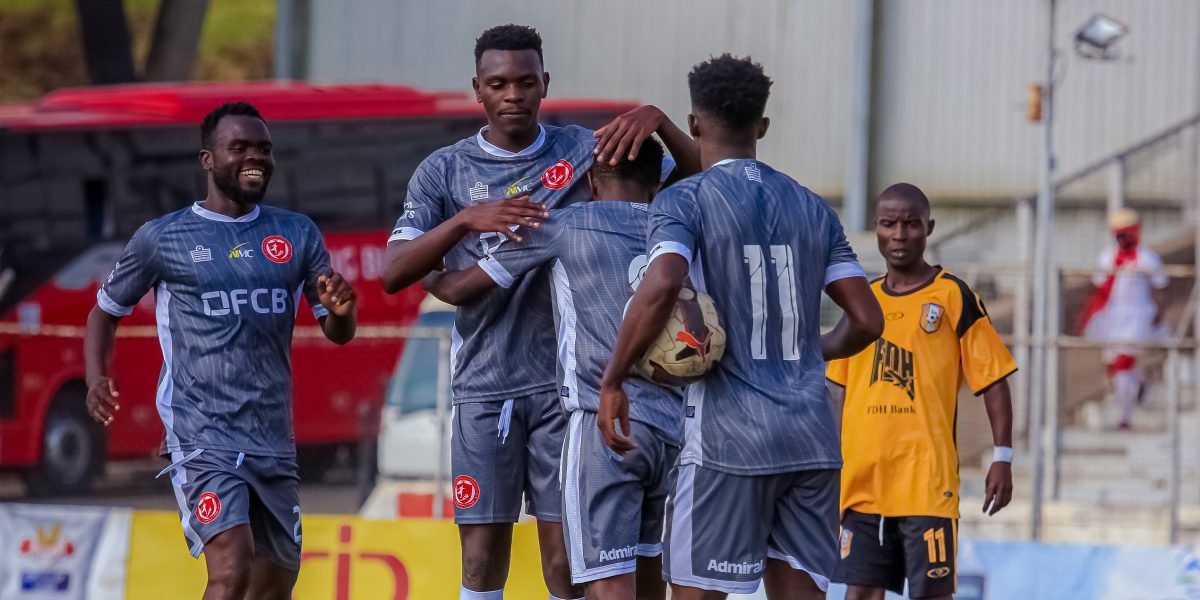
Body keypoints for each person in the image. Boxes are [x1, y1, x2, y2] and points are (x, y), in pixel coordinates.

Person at [379, 24, 698, 600]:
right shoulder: (444, 171)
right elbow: (393, 270)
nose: (513, 95)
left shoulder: (583, 150)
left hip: (564, 392)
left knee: (566, 561)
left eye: (526, 82)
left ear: (545, 83)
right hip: (485, 384)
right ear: (477, 88)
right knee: (481, 559)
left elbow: (694, 178)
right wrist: (464, 220)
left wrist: (661, 120)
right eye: (498, 83)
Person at [599, 54, 884, 600]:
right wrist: (810, 350)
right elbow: (868, 319)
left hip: (728, 440)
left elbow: (663, 282)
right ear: (763, 126)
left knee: (697, 592)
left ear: (695, 123)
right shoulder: (812, 207)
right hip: (811, 437)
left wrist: (613, 379)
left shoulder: (685, 199)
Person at [83, 101, 358, 600]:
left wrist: (342, 310)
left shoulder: (296, 233)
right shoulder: (162, 238)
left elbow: (338, 332)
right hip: (202, 434)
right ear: (208, 160)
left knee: (273, 584)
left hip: (272, 439)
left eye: (264, 149)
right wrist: (95, 377)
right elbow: (103, 312)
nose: (255, 157)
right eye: (240, 147)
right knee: (230, 566)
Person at [424, 139, 679, 600]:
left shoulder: (562, 225)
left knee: (605, 578)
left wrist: (424, 269)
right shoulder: (679, 229)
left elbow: (460, 288)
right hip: (672, 424)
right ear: (658, 183)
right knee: (648, 563)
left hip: (602, 420)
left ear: (590, 182)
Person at [826, 183, 1016, 600]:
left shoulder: (953, 295)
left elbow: (994, 379)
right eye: (889, 224)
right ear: (876, 228)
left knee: (931, 595)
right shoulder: (862, 301)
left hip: (926, 484)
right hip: (862, 484)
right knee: (860, 593)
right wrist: (829, 467)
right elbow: (838, 391)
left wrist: (1002, 456)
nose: (899, 234)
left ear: (928, 228)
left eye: (911, 224)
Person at [1079, 207, 1170, 430]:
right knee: (1113, 365)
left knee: (1124, 362)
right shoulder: (1107, 257)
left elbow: (1161, 288)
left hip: (1138, 316)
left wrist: (1158, 314)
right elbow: (1097, 287)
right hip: (1112, 317)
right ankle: (1140, 382)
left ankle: (1125, 417)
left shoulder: (1147, 258)